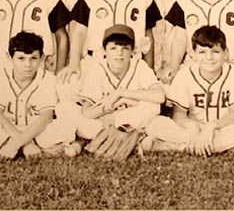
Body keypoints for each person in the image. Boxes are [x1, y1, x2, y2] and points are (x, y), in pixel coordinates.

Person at [142, 26, 234, 156]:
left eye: (215, 52)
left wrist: (211, 126)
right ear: (194, 54)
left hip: (222, 127)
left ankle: (181, 146)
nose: (209, 57)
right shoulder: (184, 74)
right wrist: (192, 128)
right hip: (192, 129)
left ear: (226, 53)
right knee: (155, 124)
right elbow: (178, 114)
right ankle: (221, 146)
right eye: (202, 52)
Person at [58, 25, 165, 157]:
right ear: (104, 51)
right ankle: (130, 138)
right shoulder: (97, 68)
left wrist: (121, 94)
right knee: (64, 108)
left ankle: (96, 141)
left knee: (152, 106)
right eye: (113, 48)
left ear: (133, 51)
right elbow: (87, 112)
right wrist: (110, 107)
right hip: (102, 122)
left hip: (131, 118)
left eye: (125, 49)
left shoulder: (139, 65)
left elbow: (160, 97)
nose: (119, 54)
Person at [0, 32, 76, 159]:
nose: (27, 65)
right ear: (9, 57)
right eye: (21, 58)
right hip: (7, 129)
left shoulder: (47, 79)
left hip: (36, 130)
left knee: (65, 125)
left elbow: (46, 117)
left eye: (33, 58)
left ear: (42, 57)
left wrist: (17, 143)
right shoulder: (0, 77)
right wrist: (25, 144)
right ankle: (43, 151)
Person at [62, 0, 161, 81]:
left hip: (132, 60)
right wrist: (74, 63)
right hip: (96, 59)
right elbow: (79, 32)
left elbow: (148, 37)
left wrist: (149, 69)